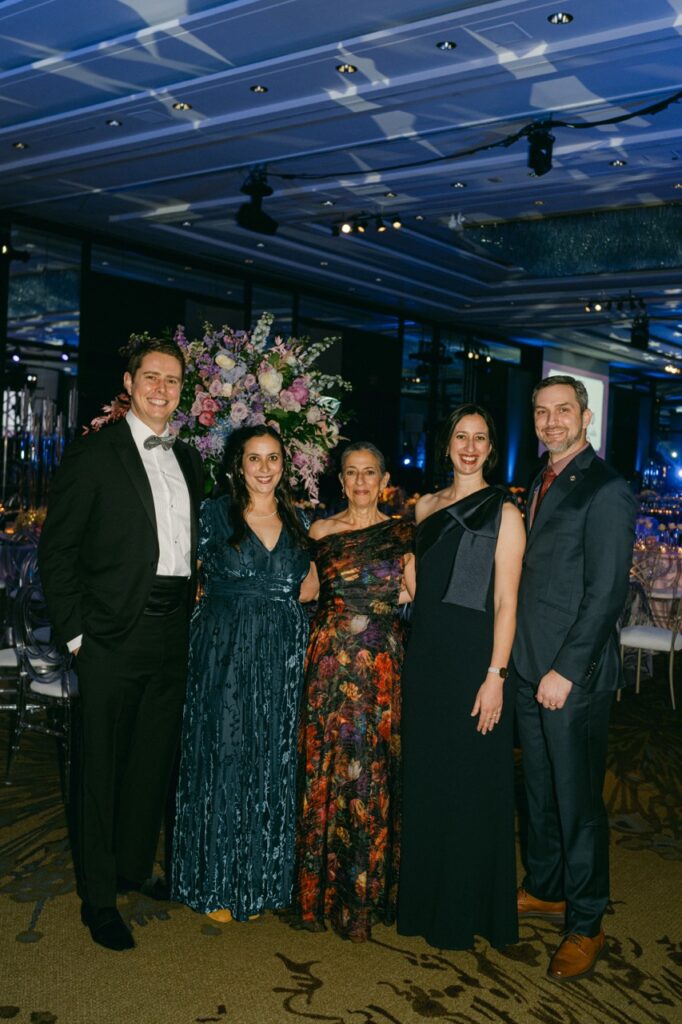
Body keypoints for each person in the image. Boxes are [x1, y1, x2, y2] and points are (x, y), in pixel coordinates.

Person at [38, 338, 204, 951]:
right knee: (101, 766)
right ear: (130, 384)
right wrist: (79, 635)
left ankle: (134, 867)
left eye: (173, 380)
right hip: (110, 633)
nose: (163, 389)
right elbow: (56, 554)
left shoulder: (189, 459)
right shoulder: (94, 453)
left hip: (171, 630)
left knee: (151, 761)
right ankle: (99, 897)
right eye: (152, 378)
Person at [512, 375, 637, 982]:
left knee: (579, 802)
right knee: (537, 791)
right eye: (542, 412)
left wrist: (566, 668)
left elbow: (607, 592)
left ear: (585, 418)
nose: (551, 422)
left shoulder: (607, 489)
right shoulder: (540, 478)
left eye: (563, 411)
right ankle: (546, 886)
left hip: (572, 675)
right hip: (528, 664)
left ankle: (586, 922)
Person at [172, 425, 316, 922]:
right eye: (253, 458)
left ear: (284, 465)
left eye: (272, 458)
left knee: (268, 759)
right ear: (238, 464)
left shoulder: (301, 521)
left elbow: (312, 589)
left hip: (280, 655)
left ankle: (256, 883)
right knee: (223, 756)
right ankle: (215, 882)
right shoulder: (212, 514)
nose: (263, 468)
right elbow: (181, 578)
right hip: (223, 651)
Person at [397, 404, 526, 950]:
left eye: (479, 438)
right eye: (460, 437)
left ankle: (466, 911)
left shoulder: (507, 513)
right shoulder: (423, 505)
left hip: (476, 662)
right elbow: (416, 585)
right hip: (426, 657)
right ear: (446, 444)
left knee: (472, 782)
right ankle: (425, 901)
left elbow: (505, 601)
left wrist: (495, 674)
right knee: (428, 778)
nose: (469, 447)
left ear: (490, 449)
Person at [291, 441, 414, 942]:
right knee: (328, 767)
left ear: (383, 479)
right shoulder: (320, 531)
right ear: (340, 481)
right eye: (351, 473)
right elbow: (304, 592)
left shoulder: (404, 532)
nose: (361, 482)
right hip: (329, 666)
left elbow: (416, 592)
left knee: (373, 773)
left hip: (381, 668)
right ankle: (319, 894)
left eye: (370, 472)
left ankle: (363, 897)